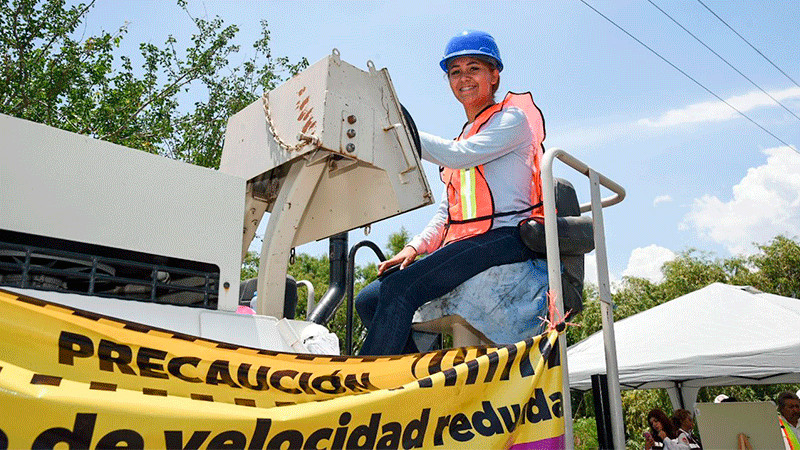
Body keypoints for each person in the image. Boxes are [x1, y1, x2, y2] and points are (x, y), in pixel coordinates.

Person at [355, 30, 547, 355]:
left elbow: (459, 156)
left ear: (494, 76)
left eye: (474, 68)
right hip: (471, 242)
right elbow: (448, 213)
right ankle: (411, 385)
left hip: (509, 237)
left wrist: (397, 129)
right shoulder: (461, 139)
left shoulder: (511, 120)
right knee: (369, 300)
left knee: (402, 289)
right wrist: (414, 248)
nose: (464, 78)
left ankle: (363, 390)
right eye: (455, 72)